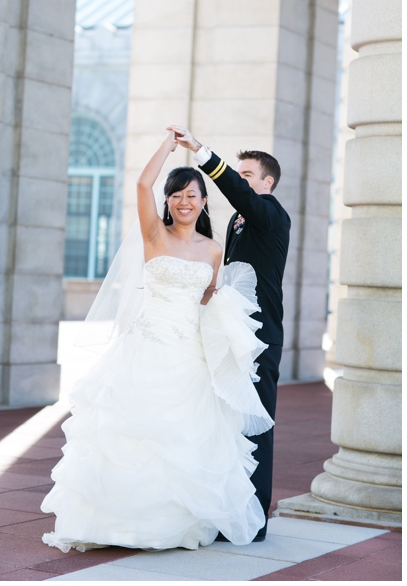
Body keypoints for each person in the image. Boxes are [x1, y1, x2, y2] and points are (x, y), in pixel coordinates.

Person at [40, 129, 273, 552]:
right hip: (146, 347)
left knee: (185, 440)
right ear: (168, 201)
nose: (184, 202)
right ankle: (116, 524)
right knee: (130, 435)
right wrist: (171, 146)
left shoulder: (213, 250)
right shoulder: (154, 236)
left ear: (204, 202)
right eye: (176, 195)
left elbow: (207, 299)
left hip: (189, 355)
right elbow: (142, 184)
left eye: (192, 195)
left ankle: (174, 524)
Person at [171, 125, 290, 542]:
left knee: (255, 429)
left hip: (258, 339)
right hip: (230, 332)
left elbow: (238, 194)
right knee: (227, 423)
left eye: (247, 176)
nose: (241, 182)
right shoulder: (240, 220)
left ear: (267, 182)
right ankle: (227, 510)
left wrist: (200, 151)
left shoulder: (271, 213)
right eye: (238, 174)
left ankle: (252, 521)